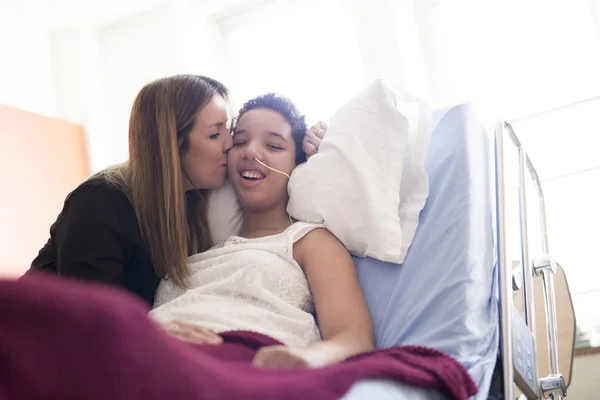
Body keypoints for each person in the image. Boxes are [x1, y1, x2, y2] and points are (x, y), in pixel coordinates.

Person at [27, 75, 327, 306]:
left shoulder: (196, 204)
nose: (230, 144)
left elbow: (265, 160)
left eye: (228, 130)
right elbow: (95, 321)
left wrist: (313, 150)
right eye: (215, 133)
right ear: (172, 145)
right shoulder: (101, 201)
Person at [150, 93, 374, 369]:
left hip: (244, 362)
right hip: (153, 357)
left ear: (297, 165)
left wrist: (304, 360)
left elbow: (353, 339)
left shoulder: (309, 241)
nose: (250, 152)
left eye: (274, 145)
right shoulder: (198, 251)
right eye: (241, 141)